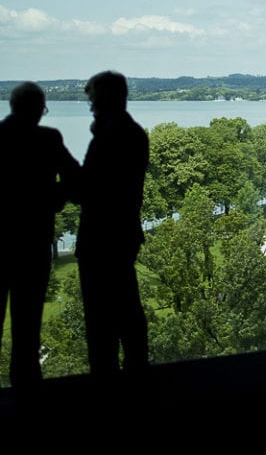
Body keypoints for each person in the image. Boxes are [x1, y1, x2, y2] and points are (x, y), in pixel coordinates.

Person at [0, 82, 79, 398]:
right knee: (27, 327)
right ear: (38, 109)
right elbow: (75, 179)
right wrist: (52, 198)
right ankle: (27, 395)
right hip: (33, 244)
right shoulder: (48, 139)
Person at [75, 71, 149, 378]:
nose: (91, 107)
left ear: (106, 99)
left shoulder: (110, 136)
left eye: (93, 100)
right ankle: (136, 372)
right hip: (123, 234)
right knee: (126, 308)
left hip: (101, 239)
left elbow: (86, 188)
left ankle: (107, 379)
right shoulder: (131, 132)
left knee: (101, 316)